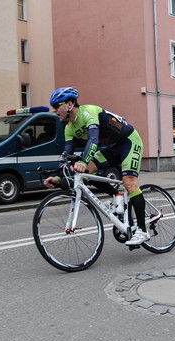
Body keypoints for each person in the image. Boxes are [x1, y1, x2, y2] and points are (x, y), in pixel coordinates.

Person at [44, 86, 150, 246]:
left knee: (129, 182)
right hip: (112, 148)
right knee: (86, 173)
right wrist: (58, 176)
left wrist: (83, 161)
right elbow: (66, 155)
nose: (55, 111)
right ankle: (116, 196)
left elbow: (93, 139)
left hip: (129, 141)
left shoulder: (89, 112)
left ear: (70, 104)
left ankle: (142, 230)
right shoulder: (69, 128)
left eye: (57, 106)